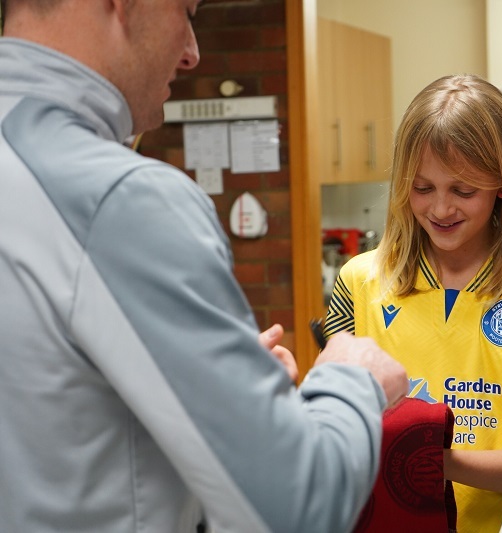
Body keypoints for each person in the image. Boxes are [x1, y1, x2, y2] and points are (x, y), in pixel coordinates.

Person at [0, 1, 408, 532]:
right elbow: (295, 508)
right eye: (186, 11)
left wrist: (223, 387)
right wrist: (351, 380)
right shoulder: (124, 200)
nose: (192, 52)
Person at [323, 74, 502, 533]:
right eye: (422, 188)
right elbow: (333, 431)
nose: (441, 209)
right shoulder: (358, 281)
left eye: (463, 190)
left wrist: (425, 460)